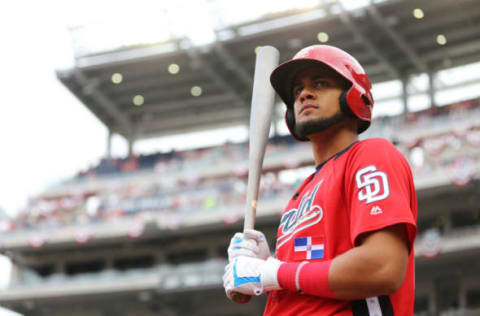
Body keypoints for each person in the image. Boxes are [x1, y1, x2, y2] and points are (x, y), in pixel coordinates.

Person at [223, 45, 418, 316]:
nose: (304, 94)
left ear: (353, 96)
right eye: (296, 90)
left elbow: (381, 267)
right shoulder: (300, 194)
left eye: (320, 83)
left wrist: (273, 272)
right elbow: (304, 280)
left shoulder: (371, 155)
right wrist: (260, 269)